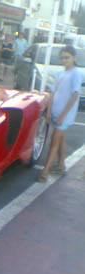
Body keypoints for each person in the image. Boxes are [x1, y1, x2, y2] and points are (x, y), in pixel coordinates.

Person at [38, 45, 82, 182]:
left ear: (74, 58)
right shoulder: (60, 74)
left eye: (67, 57)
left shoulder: (76, 74)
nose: (64, 60)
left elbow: (74, 96)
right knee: (60, 139)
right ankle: (61, 166)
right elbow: (53, 93)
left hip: (65, 115)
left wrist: (63, 115)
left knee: (54, 141)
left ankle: (45, 171)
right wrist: (49, 110)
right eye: (62, 58)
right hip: (56, 112)